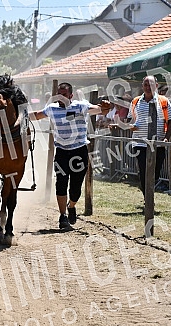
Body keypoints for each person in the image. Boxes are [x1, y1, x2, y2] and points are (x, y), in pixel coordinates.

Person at [28, 82, 110, 230]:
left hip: (79, 151)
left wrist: (105, 106)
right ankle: (62, 216)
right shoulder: (52, 109)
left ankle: (71, 205)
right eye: (59, 95)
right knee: (61, 183)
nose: (61, 98)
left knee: (76, 188)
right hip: (62, 152)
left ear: (71, 96)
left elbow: (100, 110)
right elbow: (37, 115)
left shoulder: (80, 106)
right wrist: (18, 117)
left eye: (64, 95)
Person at [126, 76, 171, 199]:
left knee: (155, 172)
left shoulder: (163, 101)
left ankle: (148, 193)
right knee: (144, 171)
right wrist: (131, 126)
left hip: (158, 143)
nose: (148, 88)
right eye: (146, 85)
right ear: (142, 86)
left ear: (156, 86)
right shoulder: (136, 101)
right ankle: (148, 198)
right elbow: (131, 119)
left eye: (151, 85)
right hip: (140, 143)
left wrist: (166, 138)